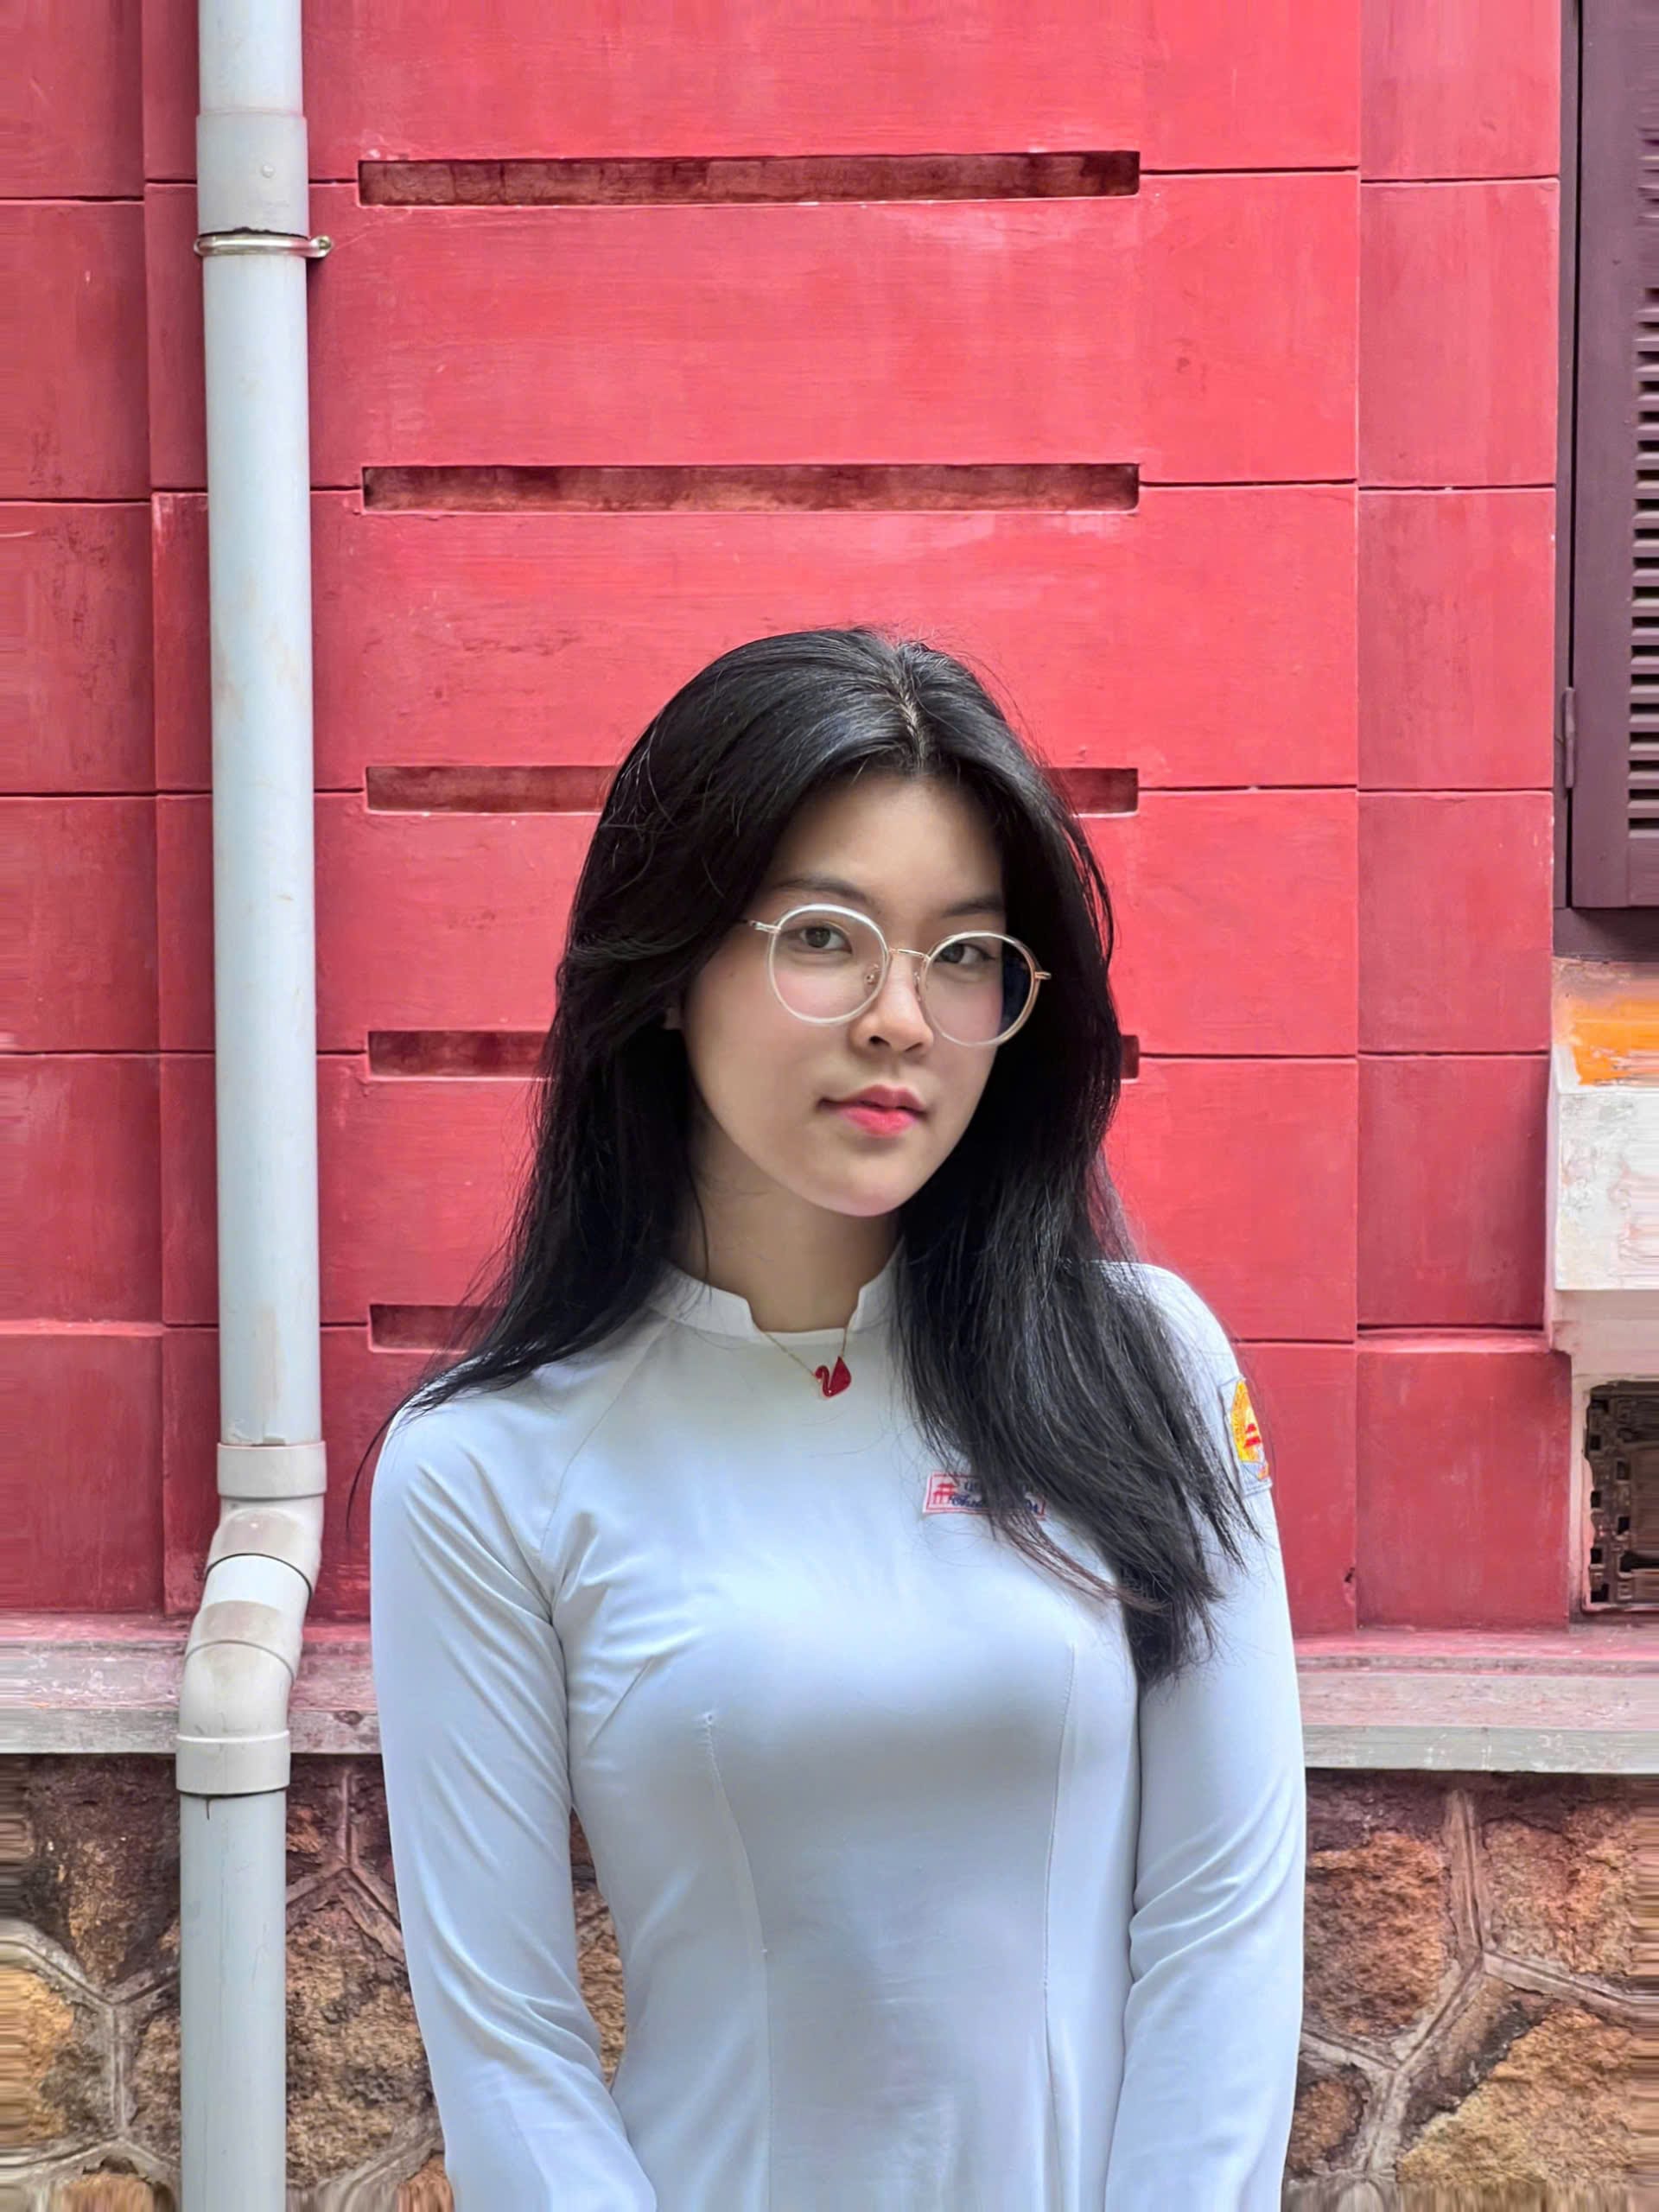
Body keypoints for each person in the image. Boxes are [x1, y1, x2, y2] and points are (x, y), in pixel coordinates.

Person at [359, 626, 1306, 2209]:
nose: (900, 1018)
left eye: (964, 954)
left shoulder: (1148, 1366)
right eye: (824, 936)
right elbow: (510, 2047)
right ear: (669, 970)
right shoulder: (485, 1467)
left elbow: (1222, 1922)